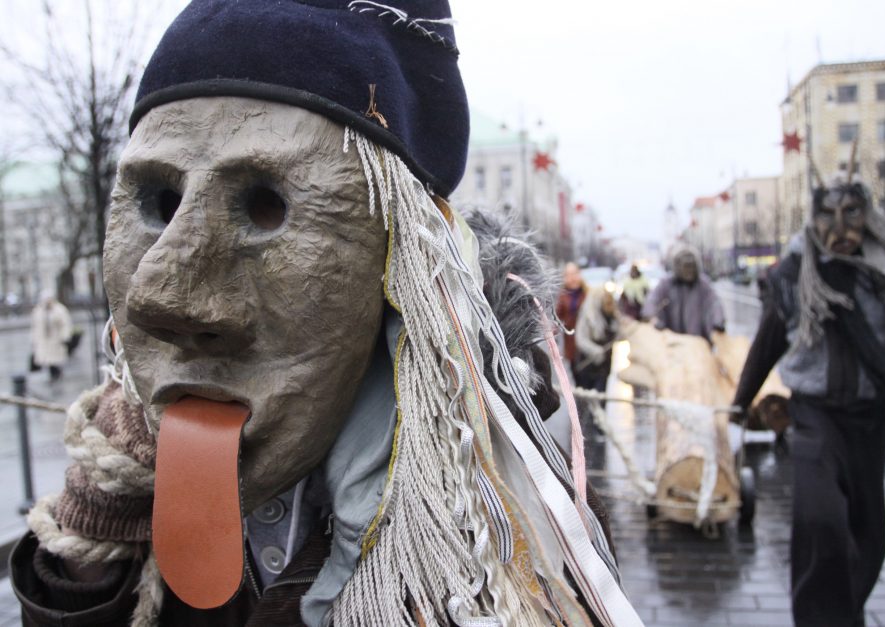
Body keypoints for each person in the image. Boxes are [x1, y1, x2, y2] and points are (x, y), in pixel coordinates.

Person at [10, 2, 642, 626]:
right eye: (161, 200)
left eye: (265, 207)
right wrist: (92, 560)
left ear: (402, 258)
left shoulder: (512, 512)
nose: (161, 295)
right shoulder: (118, 459)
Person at [732, 173, 885, 626]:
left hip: (872, 416)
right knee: (821, 518)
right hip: (815, 415)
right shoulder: (792, 275)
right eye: (828, 214)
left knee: (870, 530)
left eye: (852, 214)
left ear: (869, 219)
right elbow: (767, 342)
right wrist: (739, 403)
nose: (840, 226)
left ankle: (847, 611)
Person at [641, 245, 725, 340]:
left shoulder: (703, 285)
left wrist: (718, 322)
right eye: (686, 266)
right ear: (678, 266)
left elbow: (714, 303)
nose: (689, 270)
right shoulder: (667, 284)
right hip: (671, 340)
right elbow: (653, 300)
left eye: (691, 266)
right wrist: (653, 318)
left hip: (698, 342)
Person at [29, 290, 72, 381]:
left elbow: (65, 324)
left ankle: (57, 373)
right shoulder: (38, 310)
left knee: (55, 359)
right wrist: (33, 339)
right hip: (43, 340)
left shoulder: (59, 309)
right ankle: (53, 374)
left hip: (55, 339)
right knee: (46, 359)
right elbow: (34, 326)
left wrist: (65, 336)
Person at [555, 261, 586, 368]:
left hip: (588, 343)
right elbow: (556, 321)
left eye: (575, 273)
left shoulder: (588, 294)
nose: (572, 278)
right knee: (578, 376)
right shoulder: (562, 297)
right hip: (572, 346)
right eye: (568, 275)